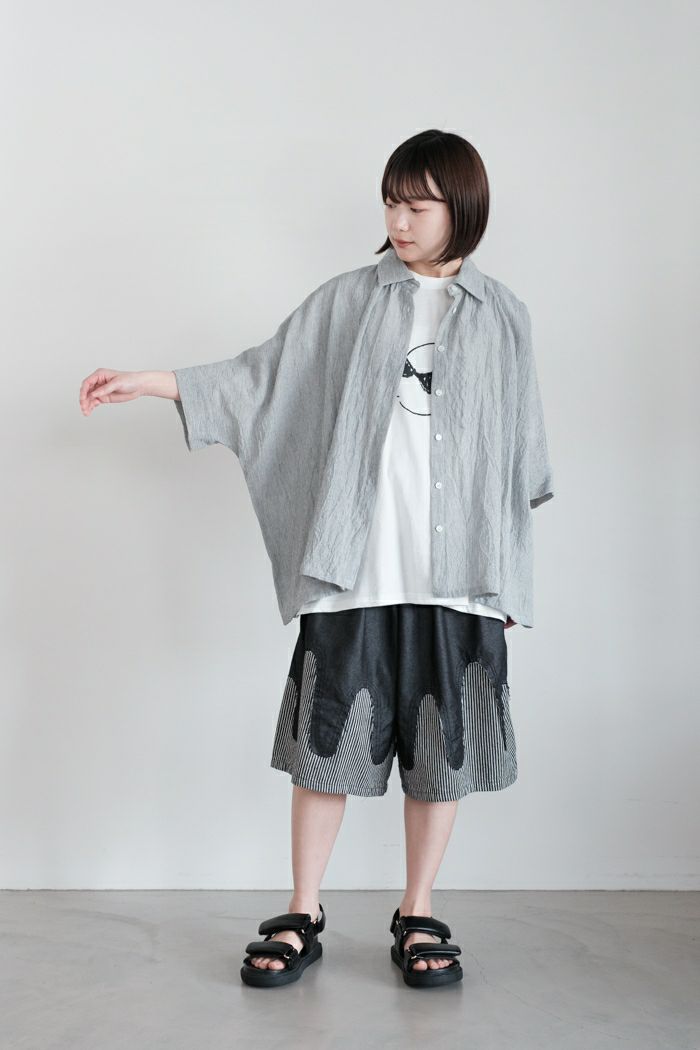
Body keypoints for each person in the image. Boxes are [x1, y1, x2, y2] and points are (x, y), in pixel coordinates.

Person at [78, 129, 554, 990]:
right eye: (391, 203)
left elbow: (518, 459)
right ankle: (303, 910)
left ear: (462, 208)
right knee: (326, 747)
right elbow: (264, 379)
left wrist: (509, 577)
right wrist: (152, 382)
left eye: (417, 206)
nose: (398, 221)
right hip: (353, 570)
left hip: (461, 577)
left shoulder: (504, 316)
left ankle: (418, 910)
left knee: (438, 757)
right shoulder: (347, 301)